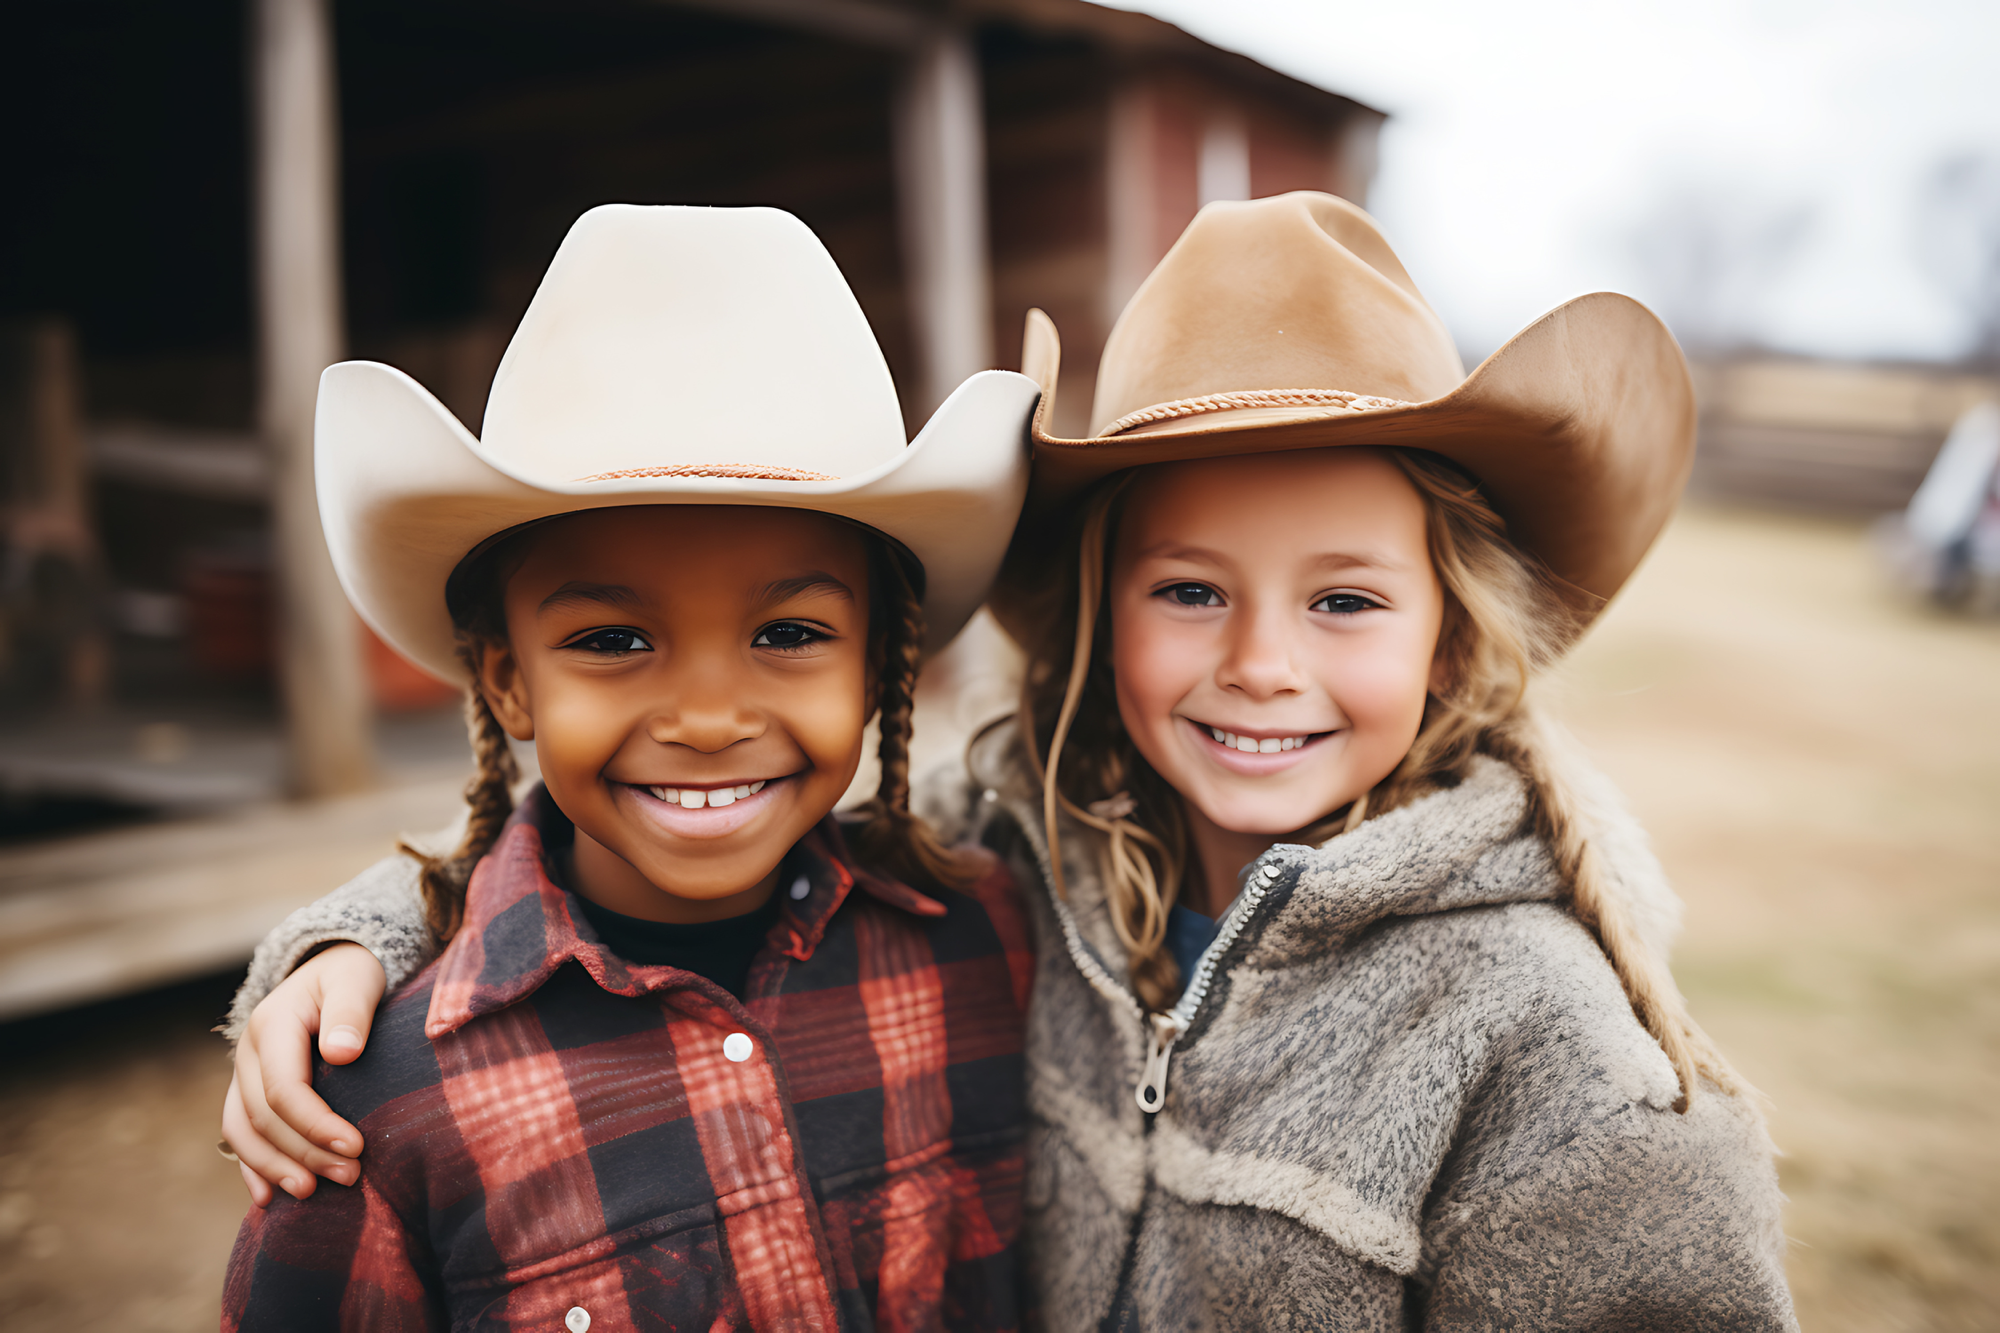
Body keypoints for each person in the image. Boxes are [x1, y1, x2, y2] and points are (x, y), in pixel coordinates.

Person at [224, 194, 1797, 1329]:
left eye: (1345, 599)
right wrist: (354, 943)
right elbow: (583, 852)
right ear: (1102, 619)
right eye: (1189, 591)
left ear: (1452, 638)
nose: (1261, 662)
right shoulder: (1019, 875)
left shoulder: (1539, 1043)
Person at [219, 202, 1043, 1331]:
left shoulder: (991, 944)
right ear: (507, 682)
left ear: (879, 668)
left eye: (789, 633)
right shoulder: (372, 1101)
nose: (707, 718)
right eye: (612, 641)